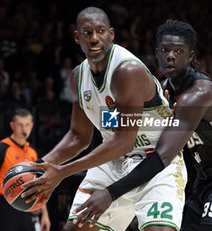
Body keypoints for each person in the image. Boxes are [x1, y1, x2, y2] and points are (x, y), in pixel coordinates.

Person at [72, 19, 212, 231]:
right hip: (203, 177)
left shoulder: (199, 94)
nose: (170, 55)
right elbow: (120, 126)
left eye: (179, 51)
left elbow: (162, 156)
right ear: (156, 53)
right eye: (165, 50)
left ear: (190, 56)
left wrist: (111, 192)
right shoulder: (161, 91)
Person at [21, 7, 187, 231]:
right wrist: (42, 166)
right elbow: (78, 136)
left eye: (100, 31)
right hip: (112, 161)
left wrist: (61, 172)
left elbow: (123, 141)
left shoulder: (127, 71)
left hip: (155, 161)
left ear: (111, 34)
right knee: (75, 229)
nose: (94, 38)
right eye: (87, 33)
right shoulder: (78, 77)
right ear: (77, 36)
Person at [0, 108, 50, 231]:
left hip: (27, 207)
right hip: (4, 206)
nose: (24, 129)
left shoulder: (32, 151)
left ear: (32, 126)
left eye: (27, 125)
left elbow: (40, 184)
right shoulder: (0, 149)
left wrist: (45, 215)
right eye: (20, 125)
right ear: (12, 125)